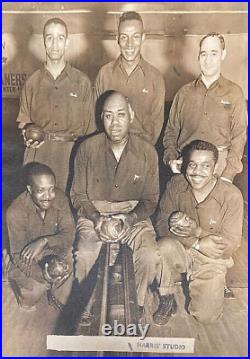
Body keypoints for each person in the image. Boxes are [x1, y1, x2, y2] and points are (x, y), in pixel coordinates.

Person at [71, 91, 161, 322]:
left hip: (133, 214)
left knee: (150, 254)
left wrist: (130, 218)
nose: (115, 122)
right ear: (102, 118)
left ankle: (138, 302)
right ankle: (86, 305)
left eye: (121, 114)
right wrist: (96, 218)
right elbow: (78, 195)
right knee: (84, 254)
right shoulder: (86, 149)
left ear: (131, 115)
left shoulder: (147, 152)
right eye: (109, 116)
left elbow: (150, 199)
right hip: (94, 212)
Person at [153, 140, 243, 325]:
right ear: (185, 164)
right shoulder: (176, 184)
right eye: (192, 164)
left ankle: (213, 283)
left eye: (205, 166)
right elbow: (161, 225)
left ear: (216, 167)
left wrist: (198, 231)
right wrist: (197, 242)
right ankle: (167, 296)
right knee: (162, 246)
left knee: (205, 316)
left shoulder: (231, 195)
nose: (196, 171)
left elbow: (231, 245)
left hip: (212, 258)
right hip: (182, 249)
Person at [17, 17, 95, 191]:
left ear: (67, 42)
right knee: (37, 212)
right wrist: (25, 135)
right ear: (43, 41)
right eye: (49, 37)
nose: (54, 44)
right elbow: (23, 123)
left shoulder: (82, 82)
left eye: (60, 38)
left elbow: (90, 132)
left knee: (69, 211)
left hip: (71, 157)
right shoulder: (31, 83)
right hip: (39, 156)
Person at [163, 32, 247, 183]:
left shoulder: (235, 93)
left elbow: (239, 138)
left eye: (213, 54)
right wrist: (171, 160)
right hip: (187, 168)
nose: (208, 60)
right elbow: (170, 133)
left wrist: (227, 175)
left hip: (219, 171)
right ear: (198, 57)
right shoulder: (183, 93)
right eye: (203, 54)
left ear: (223, 54)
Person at [6, 163, 75, 310]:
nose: (48, 196)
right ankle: (7, 265)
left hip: (54, 250)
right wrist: (43, 275)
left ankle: (57, 293)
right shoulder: (15, 211)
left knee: (77, 260)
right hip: (26, 257)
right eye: (40, 191)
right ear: (30, 189)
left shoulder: (61, 198)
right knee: (31, 296)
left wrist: (44, 241)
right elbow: (19, 255)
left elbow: (69, 234)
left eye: (51, 189)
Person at [95, 11, 165, 145]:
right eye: (124, 37)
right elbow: (97, 120)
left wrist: (141, 153)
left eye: (135, 37)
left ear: (143, 38)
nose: (129, 44)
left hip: (142, 150)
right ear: (117, 38)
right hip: (108, 149)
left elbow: (156, 125)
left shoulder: (155, 77)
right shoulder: (104, 74)